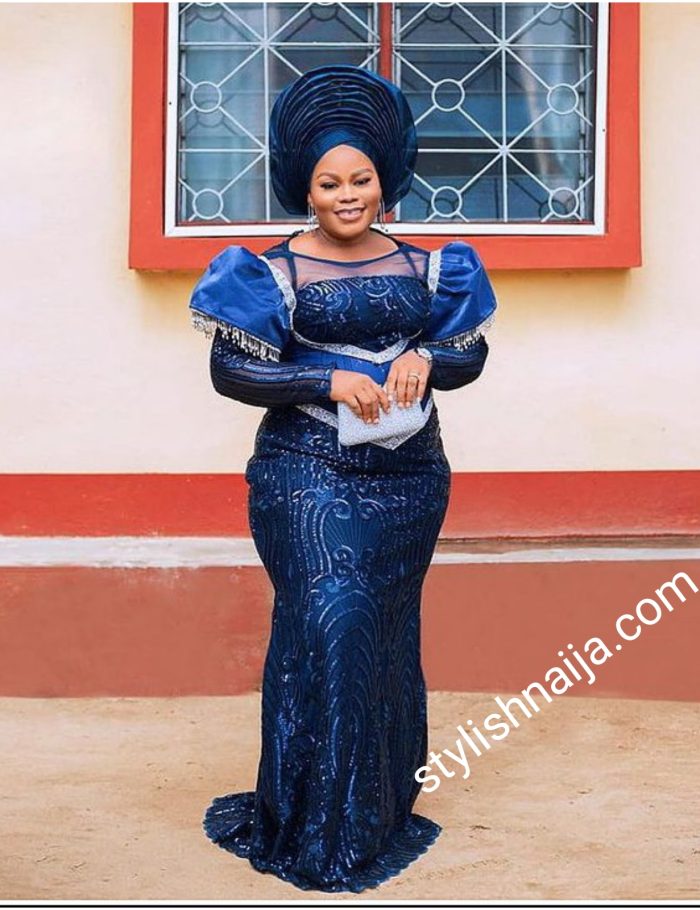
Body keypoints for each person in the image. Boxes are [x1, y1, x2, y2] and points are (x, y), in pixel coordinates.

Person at [189, 64, 497, 893]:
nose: (347, 195)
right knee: (331, 620)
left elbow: (470, 356)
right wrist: (324, 378)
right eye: (330, 183)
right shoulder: (268, 272)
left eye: (360, 179)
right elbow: (231, 371)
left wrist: (428, 359)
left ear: (384, 179)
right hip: (306, 473)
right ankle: (312, 823)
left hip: (409, 479)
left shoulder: (433, 266)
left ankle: (372, 814)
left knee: (381, 636)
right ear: (306, 186)